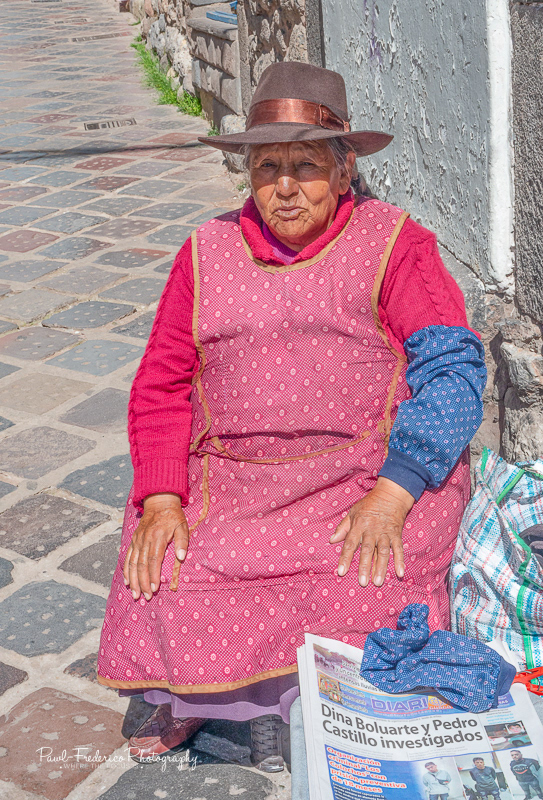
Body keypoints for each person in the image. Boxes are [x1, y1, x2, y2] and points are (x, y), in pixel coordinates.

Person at [96, 61, 486, 767]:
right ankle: (193, 695)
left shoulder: (395, 245)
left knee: (364, 571)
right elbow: (160, 383)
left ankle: (304, 704)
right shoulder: (204, 251)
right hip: (237, 475)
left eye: (303, 166)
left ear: (342, 172)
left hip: (364, 472)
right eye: (265, 165)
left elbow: (453, 373)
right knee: (176, 561)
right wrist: (161, 498)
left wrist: (394, 493)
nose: (282, 186)